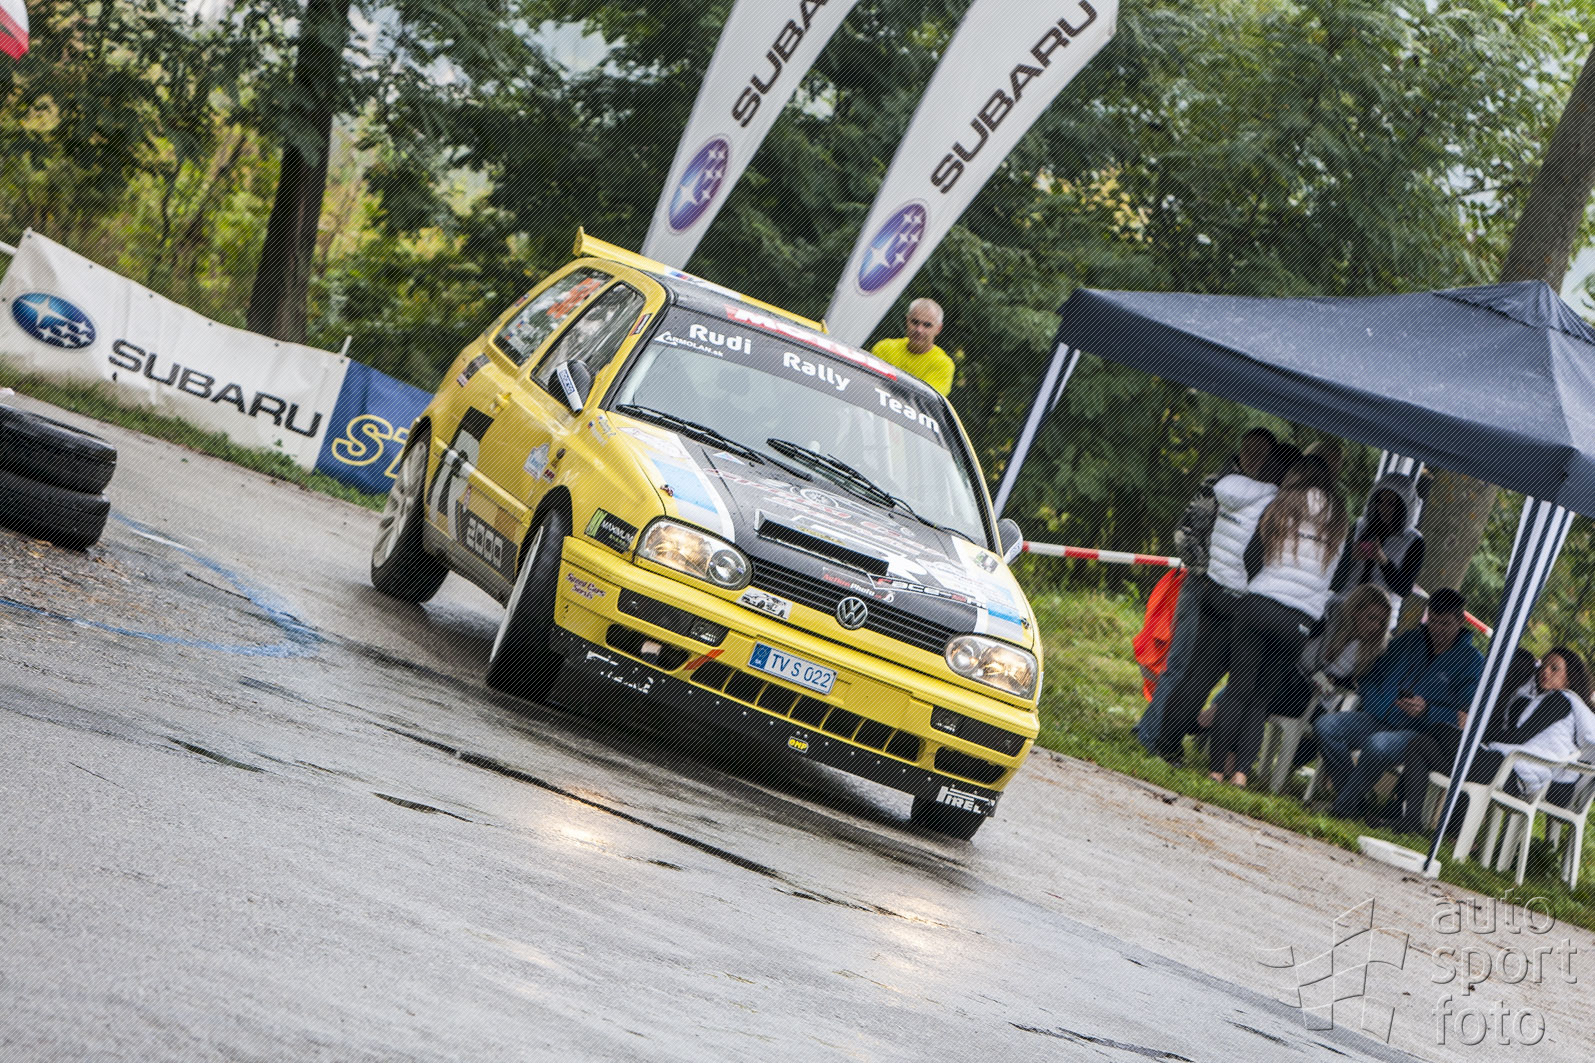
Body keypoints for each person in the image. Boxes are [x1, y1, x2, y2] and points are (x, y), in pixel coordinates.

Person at [1205, 455, 1349, 786]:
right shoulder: (1340, 518)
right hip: (1299, 619)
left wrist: (1264, 581)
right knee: (1261, 699)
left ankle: (1215, 769)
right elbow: (1339, 577)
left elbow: (1251, 555)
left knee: (1238, 691)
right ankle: (1242, 772)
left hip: (1260, 605)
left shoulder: (1281, 503)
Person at [1153, 442, 1298, 763]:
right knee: (1234, 685)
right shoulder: (1275, 504)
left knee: (1196, 673)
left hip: (1212, 589)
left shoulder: (1231, 490)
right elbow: (1256, 556)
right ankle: (1220, 757)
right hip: (1240, 599)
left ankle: (1166, 742)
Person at [1313, 588, 1485, 820]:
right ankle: (1354, 802)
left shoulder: (1472, 662)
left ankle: (1342, 809)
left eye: (1445, 624)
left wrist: (1427, 711)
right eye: (1433, 621)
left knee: (1377, 745)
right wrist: (1378, 703)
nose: (1437, 629)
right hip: (1378, 718)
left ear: (1460, 621)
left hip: (1420, 735)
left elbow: (1464, 716)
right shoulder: (1409, 640)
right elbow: (1369, 676)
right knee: (1326, 726)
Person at [1464, 647, 1595, 797]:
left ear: (1569, 677)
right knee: (1449, 753)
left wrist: (1474, 730)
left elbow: (1517, 738)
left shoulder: (1561, 700)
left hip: (1523, 777)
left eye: (1554, 668)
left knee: (1449, 740)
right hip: (1524, 773)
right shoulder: (1546, 700)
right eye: (1543, 665)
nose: (1545, 671)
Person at [1331, 473, 1425, 621]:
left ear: (1404, 506)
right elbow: (1333, 575)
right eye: (1380, 501)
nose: (1383, 508)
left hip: (1379, 619)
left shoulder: (1413, 541)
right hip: (1343, 606)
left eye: (1391, 503)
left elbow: (1404, 588)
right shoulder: (1360, 526)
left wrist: (1383, 561)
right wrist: (1349, 555)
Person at [871, 298, 955, 396]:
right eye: (915, 322)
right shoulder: (884, 348)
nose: (919, 330)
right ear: (907, 321)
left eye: (927, 325)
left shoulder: (943, 365)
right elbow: (869, 383)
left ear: (938, 329)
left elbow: (923, 400)